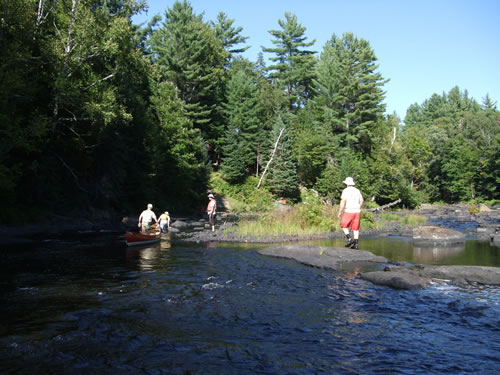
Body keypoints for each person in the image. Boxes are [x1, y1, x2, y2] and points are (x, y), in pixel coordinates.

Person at [337, 177, 364, 249]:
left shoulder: (345, 190)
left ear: (346, 184)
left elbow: (343, 201)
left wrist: (340, 211)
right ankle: (356, 244)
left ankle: (349, 239)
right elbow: (361, 200)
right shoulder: (357, 190)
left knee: (343, 225)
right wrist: (359, 207)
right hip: (357, 211)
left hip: (349, 210)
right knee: (355, 228)